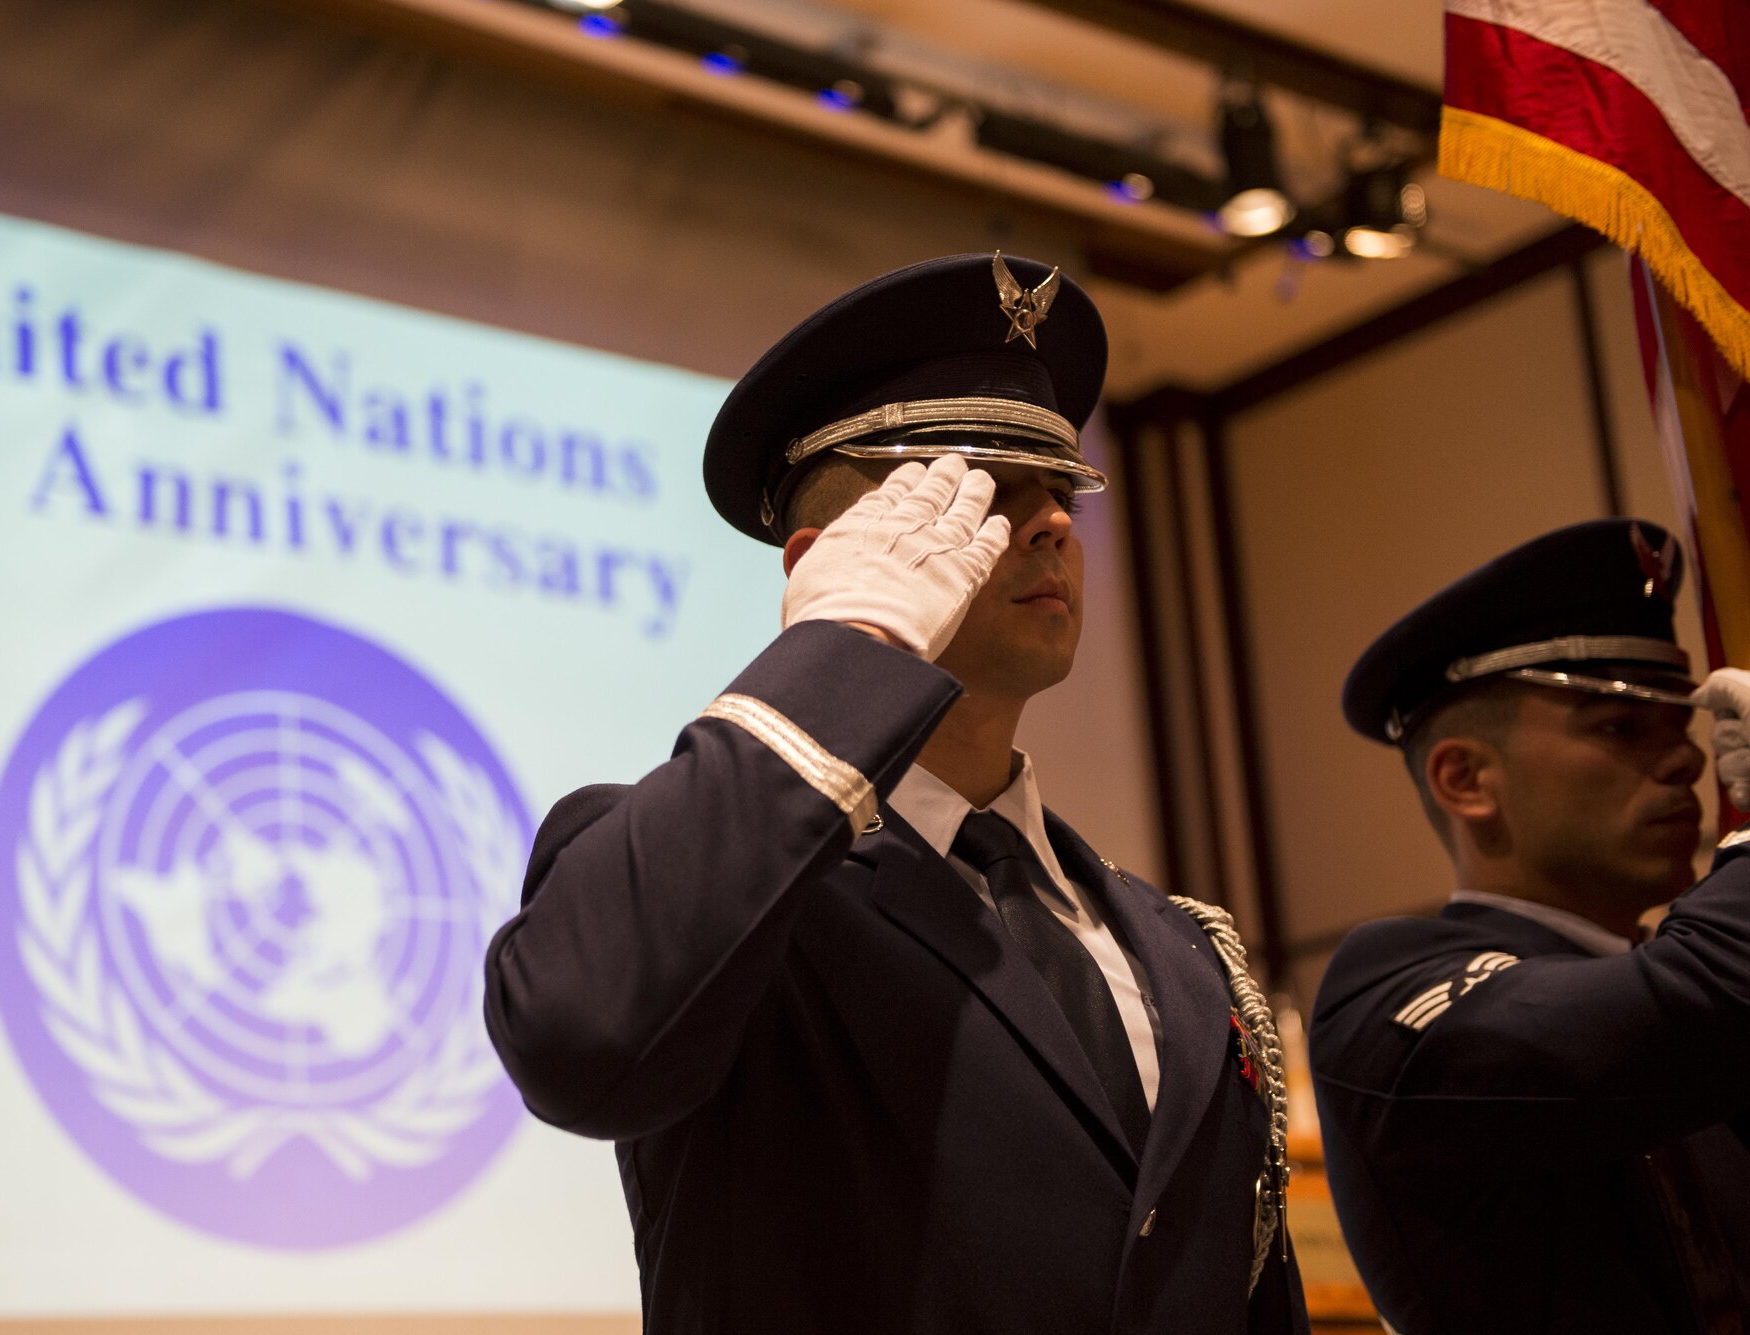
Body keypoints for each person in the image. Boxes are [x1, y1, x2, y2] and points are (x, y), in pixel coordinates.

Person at [484, 253, 1307, 1333]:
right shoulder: (720, 888)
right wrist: (843, 649)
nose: (1052, 521)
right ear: (830, 561)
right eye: (983, 489)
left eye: (1059, 487)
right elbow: (581, 1035)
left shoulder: (1176, 947)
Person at [1310, 519, 1750, 1334]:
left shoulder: (1692, 983)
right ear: (1466, 778)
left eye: (1680, 726)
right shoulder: (1385, 987)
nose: (1689, 760)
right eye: (1620, 725)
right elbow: (1698, 1001)